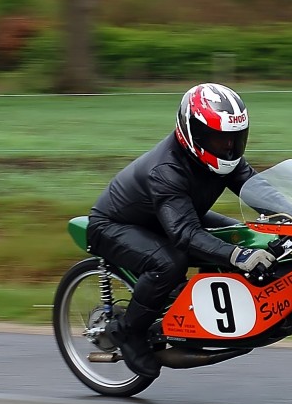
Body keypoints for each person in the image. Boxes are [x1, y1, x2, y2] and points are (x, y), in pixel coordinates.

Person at [86, 83, 276, 380]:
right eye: (218, 139)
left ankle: (205, 311)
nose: (228, 148)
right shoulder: (166, 169)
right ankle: (128, 333)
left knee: (244, 234)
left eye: (235, 139)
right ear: (193, 132)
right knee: (170, 263)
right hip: (115, 224)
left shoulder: (226, 159)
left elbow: (260, 192)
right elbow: (185, 234)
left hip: (171, 216)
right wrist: (238, 256)